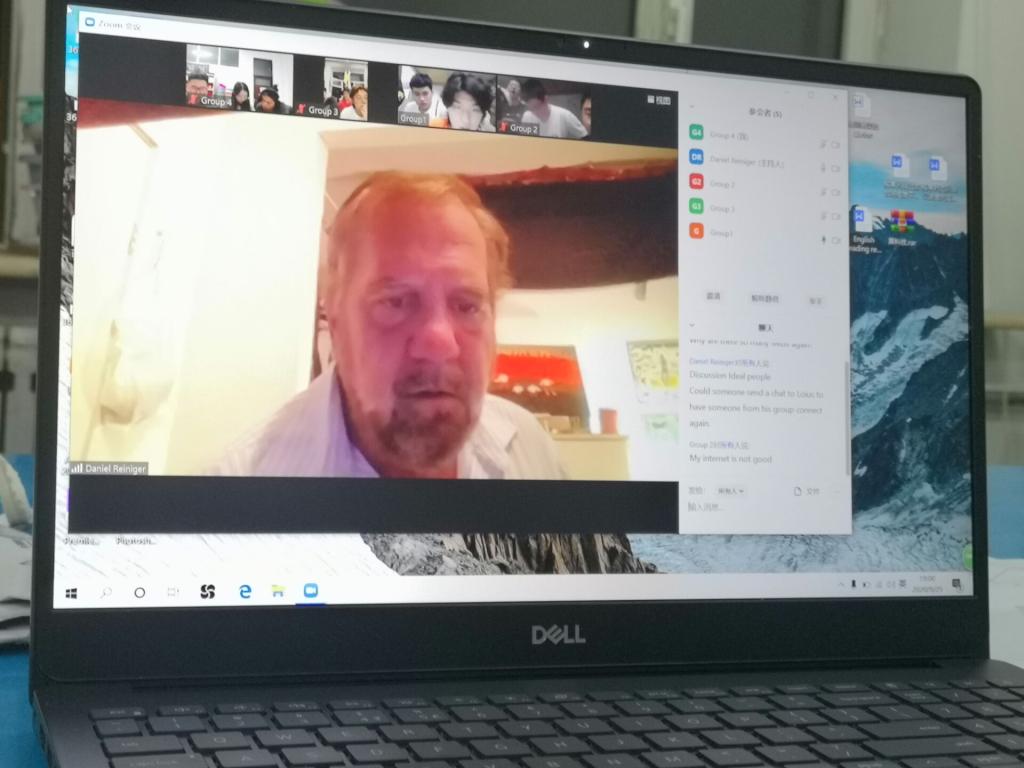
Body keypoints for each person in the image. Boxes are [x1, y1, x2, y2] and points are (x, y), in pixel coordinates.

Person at [217, 172, 563, 480]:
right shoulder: (237, 495)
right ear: (334, 315)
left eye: (467, 306)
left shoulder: (529, 447)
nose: (440, 343)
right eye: (396, 302)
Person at [520, 79, 587, 139]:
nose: (536, 112)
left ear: (546, 99)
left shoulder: (564, 115)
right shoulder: (527, 117)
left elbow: (584, 136)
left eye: (537, 107)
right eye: (532, 109)